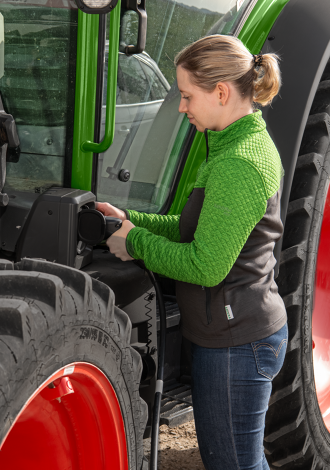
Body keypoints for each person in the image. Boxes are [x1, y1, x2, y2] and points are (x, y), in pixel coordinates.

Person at [98, 35, 287, 470]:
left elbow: (205, 265)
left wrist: (135, 244)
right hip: (232, 334)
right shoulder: (230, 145)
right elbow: (191, 231)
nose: (182, 108)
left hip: (238, 342)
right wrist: (129, 219)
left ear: (221, 92)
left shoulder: (238, 162)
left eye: (187, 96)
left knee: (235, 465)